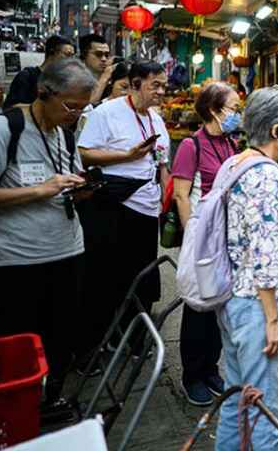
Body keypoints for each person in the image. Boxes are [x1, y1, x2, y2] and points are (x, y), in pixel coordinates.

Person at [0, 59, 97, 404]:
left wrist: (81, 190)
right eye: (71, 105)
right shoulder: (3, 129)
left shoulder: (65, 136)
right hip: (16, 261)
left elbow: (66, 184)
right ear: (44, 92)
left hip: (67, 254)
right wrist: (40, 190)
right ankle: (12, 408)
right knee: (15, 346)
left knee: (59, 340)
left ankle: (48, 400)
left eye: (84, 108)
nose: (76, 114)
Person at [215, 87, 278, 451]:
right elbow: (264, 252)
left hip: (231, 296)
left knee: (237, 398)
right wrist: (273, 319)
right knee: (266, 410)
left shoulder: (235, 162)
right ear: (276, 132)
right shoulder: (266, 175)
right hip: (255, 305)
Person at [77, 61, 171, 351]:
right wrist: (126, 156)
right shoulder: (107, 113)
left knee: (142, 276)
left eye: (164, 86)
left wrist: (166, 201)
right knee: (106, 276)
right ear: (134, 84)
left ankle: (133, 336)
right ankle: (95, 342)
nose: (161, 91)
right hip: (113, 205)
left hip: (147, 208)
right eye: (154, 85)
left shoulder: (156, 119)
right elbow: (84, 154)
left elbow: (162, 162)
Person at [170, 82, 241, 406]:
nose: (237, 115)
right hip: (202, 237)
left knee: (220, 304)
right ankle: (192, 374)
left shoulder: (231, 143)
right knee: (198, 306)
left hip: (226, 236)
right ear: (214, 110)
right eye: (233, 108)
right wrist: (192, 237)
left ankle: (211, 367)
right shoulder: (191, 146)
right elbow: (181, 195)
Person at [3, 35, 75, 108]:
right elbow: (11, 106)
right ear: (52, 53)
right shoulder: (27, 77)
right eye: (67, 55)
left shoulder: (64, 82)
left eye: (72, 56)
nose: (71, 60)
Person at [79, 33, 115, 106]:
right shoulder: (74, 79)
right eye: (98, 54)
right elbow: (87, 107)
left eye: (107, 55)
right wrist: (104, 77)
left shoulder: (111, 79)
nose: (104, 59)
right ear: (84, 55)